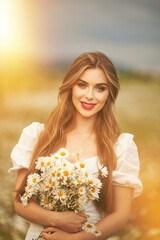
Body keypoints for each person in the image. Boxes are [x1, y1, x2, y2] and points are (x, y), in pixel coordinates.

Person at [9, 51, 143, 240]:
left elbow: (120, 218)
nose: (89, 96)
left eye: (100, 88)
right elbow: (19, 201)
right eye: (82, 85)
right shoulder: (37, 135)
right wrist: (57, 219)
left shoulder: (121, 146)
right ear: (70, 86)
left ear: (110, 94)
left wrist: (72, 239)